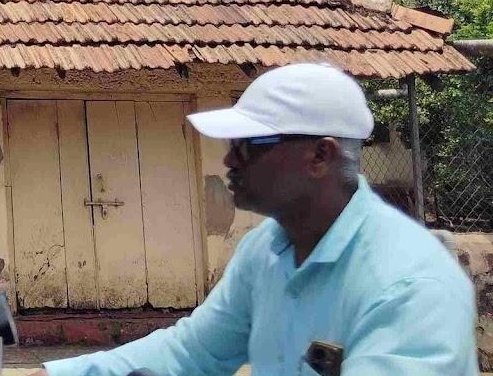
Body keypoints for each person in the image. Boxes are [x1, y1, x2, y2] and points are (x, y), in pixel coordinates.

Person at [29, 62, 476, 376]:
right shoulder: (267, 250)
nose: (228, 159)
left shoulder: (408, 287)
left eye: (249, 144)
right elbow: (193, 353)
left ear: (320, 155)